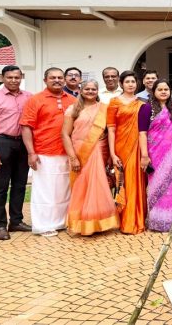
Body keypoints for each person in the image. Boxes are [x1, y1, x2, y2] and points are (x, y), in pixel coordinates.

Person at [20, 68, 77, 237]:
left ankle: (62, 222)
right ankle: (43, 225)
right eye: (53, 78)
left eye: (60, 77)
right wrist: (31, 152)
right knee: (45, 191)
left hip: (68, 152)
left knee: (65, 189)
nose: (57, 80)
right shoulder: (35, 100)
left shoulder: (73, 100)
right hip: (44, 152)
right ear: (45, 80)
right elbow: (26, 127)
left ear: (64, 80)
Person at [0, 65, 33, 241]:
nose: (13, 80)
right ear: (3, 78)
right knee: (1, 185)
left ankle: (16, 221)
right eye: (9, 77)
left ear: (21, 78)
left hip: (23, 143)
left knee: (20, 184)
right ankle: (0, 225)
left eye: (17, 77)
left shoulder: (29, 97)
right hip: (3, 142)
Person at [62, 80, 119, 235]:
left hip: (100, 150)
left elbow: (109, 132)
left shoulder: (104, 109)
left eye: (93, 89)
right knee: (81, 186)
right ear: (81, 90)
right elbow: (65, 135)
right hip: (80, 151)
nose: (90, 91)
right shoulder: (73, 109)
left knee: (98, 185)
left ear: (97, 91)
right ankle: (81, 223)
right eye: (87, 89)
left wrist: (110, 155)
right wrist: (73, 157)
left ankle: (98, 222)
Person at [107, 70, 146, 234]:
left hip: (138, 147)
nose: (131, 84)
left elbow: (144, 130)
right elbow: (111, 129)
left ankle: (136, 220)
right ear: (121, 84)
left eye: (133, 81)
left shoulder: (142, 103)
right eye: (127, 81)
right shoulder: (114, 102)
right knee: (123, 182)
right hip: (121, 147)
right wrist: (112, 154)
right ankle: (125, 221)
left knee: (137, 182)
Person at [138, 79, 172, 232]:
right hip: (154, 153)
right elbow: (142, 133)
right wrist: (144, 155)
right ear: (153, 91)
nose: (163, 92)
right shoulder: (146, 108)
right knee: (156, 185)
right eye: (160, 89)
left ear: (170, 91)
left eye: (166, 89)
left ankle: (171, 220)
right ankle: (157, 220)